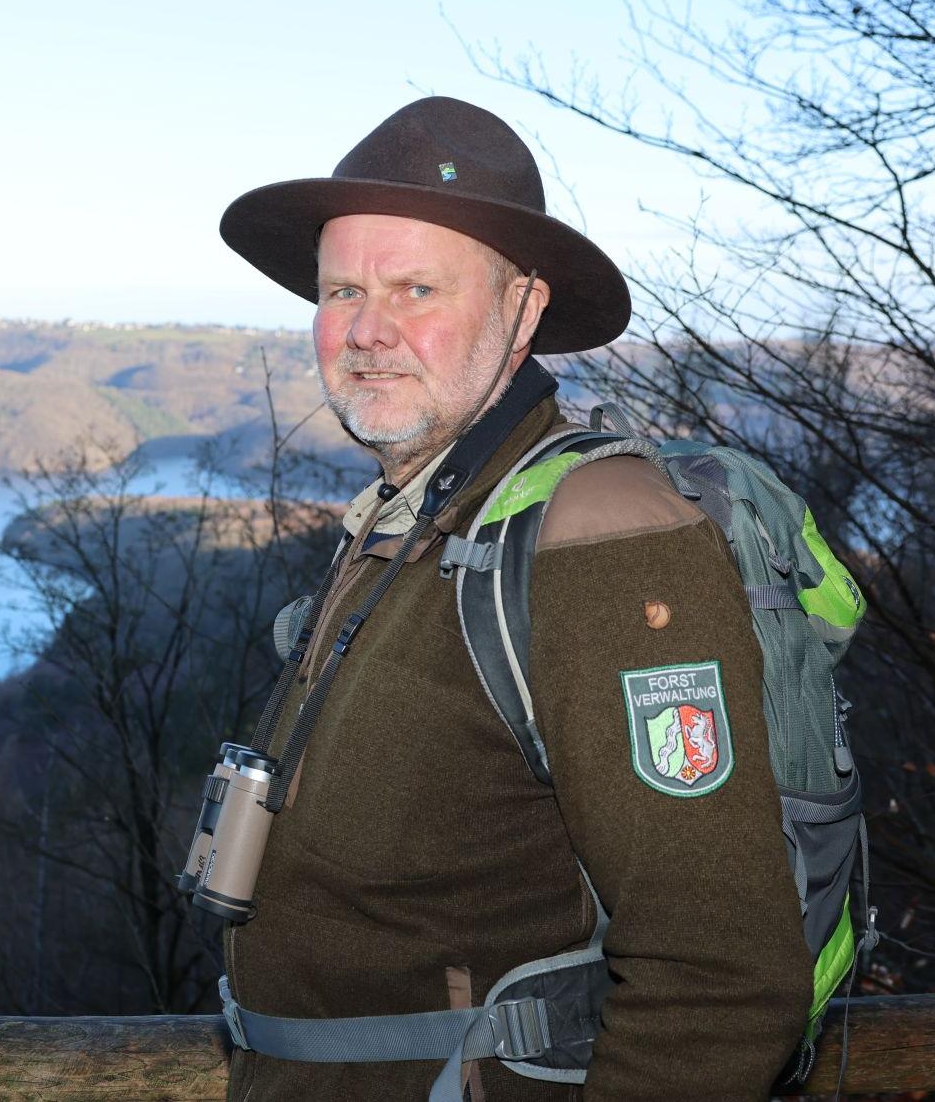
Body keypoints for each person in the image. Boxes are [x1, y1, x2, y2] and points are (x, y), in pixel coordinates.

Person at [214, 96, 813, 1100]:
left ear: (523, 309)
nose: (366, 329)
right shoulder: (413, 518)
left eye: (414, 289)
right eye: (340, 291)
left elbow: (717, 979)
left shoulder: (602, 534)